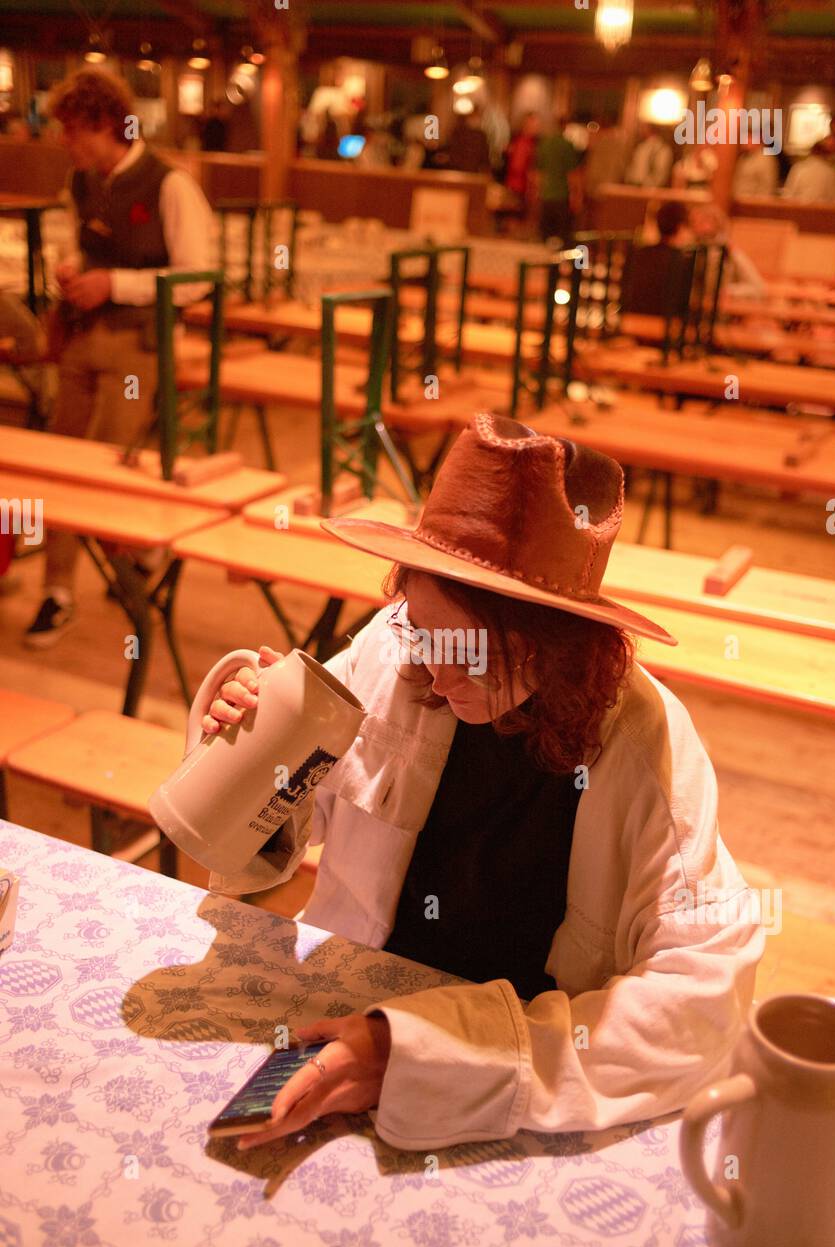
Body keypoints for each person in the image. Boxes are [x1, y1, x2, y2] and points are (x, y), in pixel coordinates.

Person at [200, 413, 764, 1153]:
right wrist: (245, 743)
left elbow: (704, 998)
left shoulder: (645, 743)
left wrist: (418, 1051)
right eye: (423, 629)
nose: (434, 672)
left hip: (513, 1087)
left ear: (556, 641)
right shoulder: (394, 648)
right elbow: (253, 848)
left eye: (470, 651)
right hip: (343, 1012)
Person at [23, 67, 214, 648]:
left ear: (105, 124)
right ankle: (57, 590)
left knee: (111, 467)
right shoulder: (79, 181)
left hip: (139, 347)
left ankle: (130, 565)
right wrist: (77, 272)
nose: (64, 141)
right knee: (60, 463)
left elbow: (197, 280)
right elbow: (86, 245)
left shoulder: (170, 184)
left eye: (72, 129)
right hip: (82, 341)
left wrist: (116, 285)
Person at [688, 202, 767, 297]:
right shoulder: (691, 250)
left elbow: (759, 288)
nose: (696, 226)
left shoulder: (730, 251)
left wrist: (730, 291)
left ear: (715, 223)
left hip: (722, 307)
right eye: (693, 222)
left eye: (702, 221)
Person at [535, 115, 580, 246]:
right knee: (561, 235)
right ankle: (557, 264)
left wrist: (538, 191)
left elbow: (538, 172)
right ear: (565, 127)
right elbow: (572, 174)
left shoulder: (544, 144)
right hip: (562, 194)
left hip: (546, 194)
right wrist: (576, 196)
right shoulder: (567, 145)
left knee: (545, 234)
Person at [504, 112, 541, 220]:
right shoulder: (523, 143)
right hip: (519, 187)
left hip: (519, 186)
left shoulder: (527, 142)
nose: (537, 128)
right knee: (516, 220)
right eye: (534, 124)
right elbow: (517, 166)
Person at [625, 123, 673, 188]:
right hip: (633, 187)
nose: (640, 129)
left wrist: (647, 186)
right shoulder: (641, 147)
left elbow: (661, 174)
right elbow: (633, 169)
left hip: (651, 190)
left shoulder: (662, 149)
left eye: (643, 127)